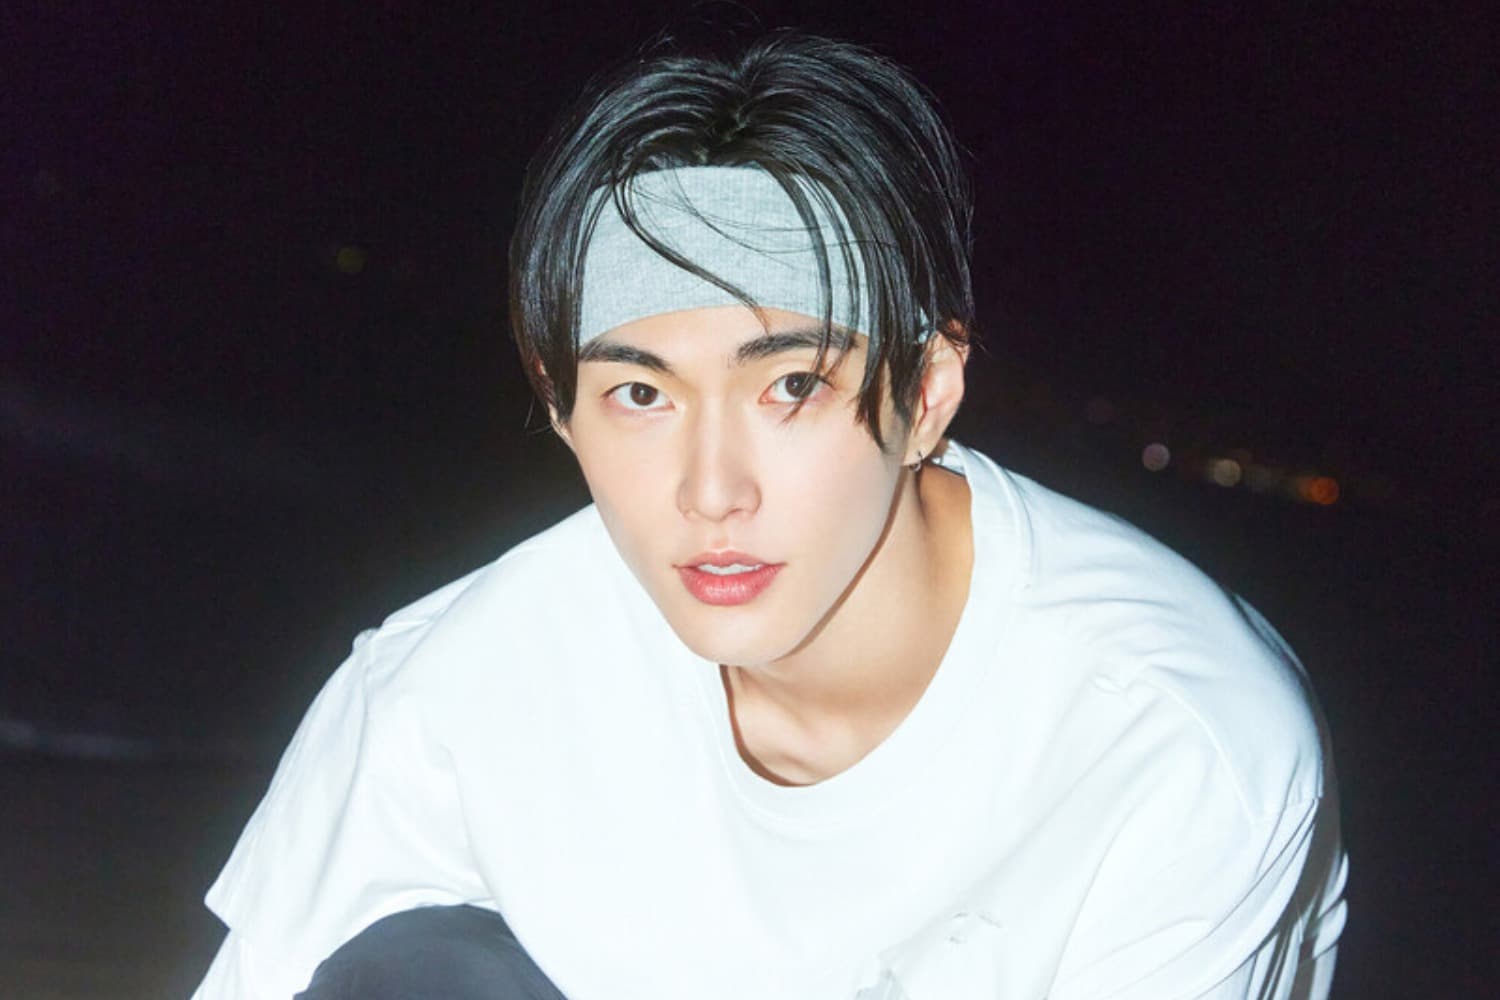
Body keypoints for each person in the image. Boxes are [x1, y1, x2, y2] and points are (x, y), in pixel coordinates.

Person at [192, 30, 1347, 1000]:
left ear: (926, 394)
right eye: (641, 395)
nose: (712, 491)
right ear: (559, 408)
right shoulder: (449, 695)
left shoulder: (1167, 739)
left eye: (792, 384)